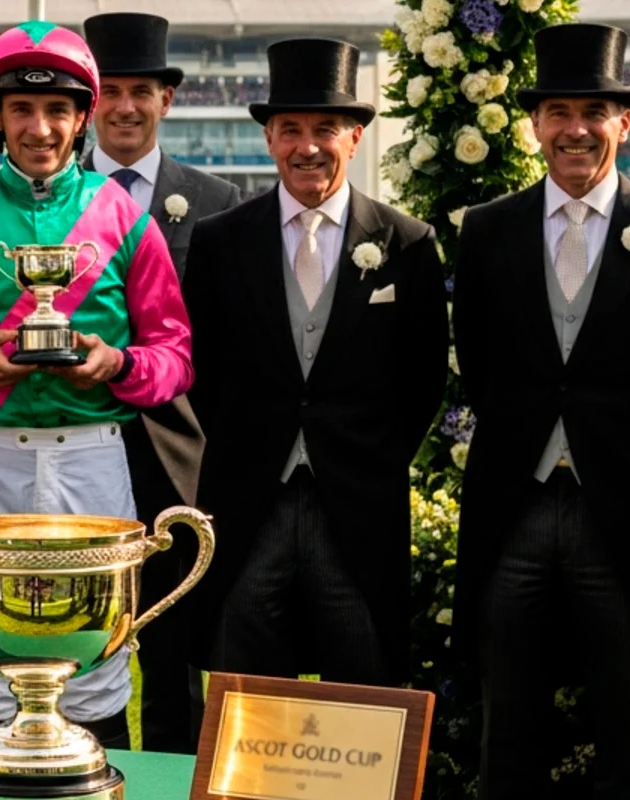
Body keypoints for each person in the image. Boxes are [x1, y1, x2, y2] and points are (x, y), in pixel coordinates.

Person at [0, 20, 192, 752]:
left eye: (58, 109)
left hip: (95, 455)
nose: (40, 128)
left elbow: (175, 355)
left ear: (82, 117)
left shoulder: (126, 217)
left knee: (96, 657)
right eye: (21, 109)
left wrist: (118, 365)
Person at [451, 23, 630, 800]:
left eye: (593, 112)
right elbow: (478, 360)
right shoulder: (488, 230)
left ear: (623, 123)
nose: (575, 130)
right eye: (558, 112)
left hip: (621, 510)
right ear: (534, 124)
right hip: (515, 504)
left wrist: (622, 458)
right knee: (509, 707)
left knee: (626, 707)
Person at [184, 38, 447, 688]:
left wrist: (368, 453)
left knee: (361, 675)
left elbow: (422, 378)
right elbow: (200, 368)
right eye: (291, 129)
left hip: (358, 504)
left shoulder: (407, 243)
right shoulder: (220, 241)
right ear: (269, 138)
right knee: (242, 678)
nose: (308, 147)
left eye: (325, 128)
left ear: (354, 137)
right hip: (248, 499)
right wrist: (248, 443)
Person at [79, 11, 241, 755]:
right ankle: (80, 780)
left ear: (166, 100)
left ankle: (174, 791)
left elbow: (230, 347)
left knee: (175, 652)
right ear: (90, 102)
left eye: (140, 91)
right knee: (79, 645)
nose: (125, 107)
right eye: (109, 91)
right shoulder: (46, 195)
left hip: (177, 460)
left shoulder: (216, 203)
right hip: (73, 453)